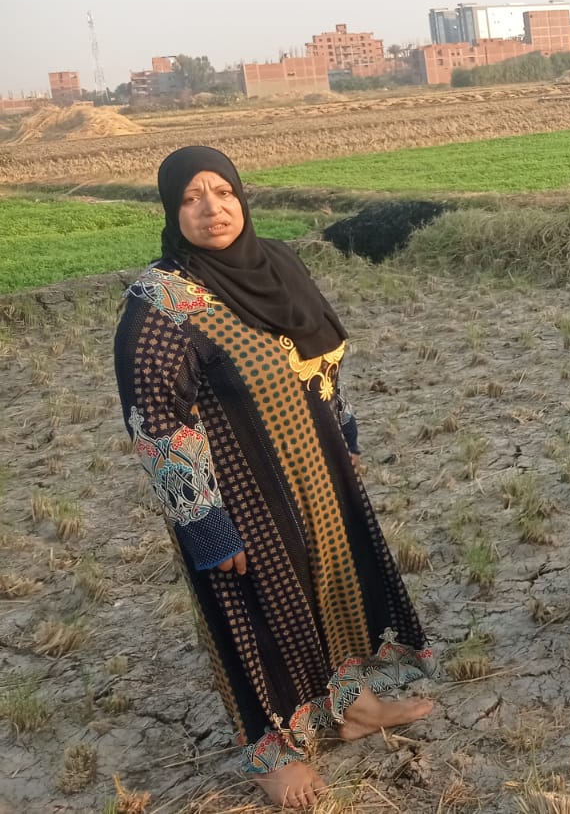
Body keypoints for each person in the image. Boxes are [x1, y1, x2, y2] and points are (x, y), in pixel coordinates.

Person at [113, 147, 435, 810]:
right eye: (192, 198)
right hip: (240, 495)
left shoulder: (278, 263)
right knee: (258, 617)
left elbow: (322, 358)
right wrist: (204, 521)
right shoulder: (162, 302)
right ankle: (273, 753)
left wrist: (345, 436)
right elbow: (157, 420)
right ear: (173, 212)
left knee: (336, 591)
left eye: (223, 191)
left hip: (317, 470)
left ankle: (354, 707)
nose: (212, 209)